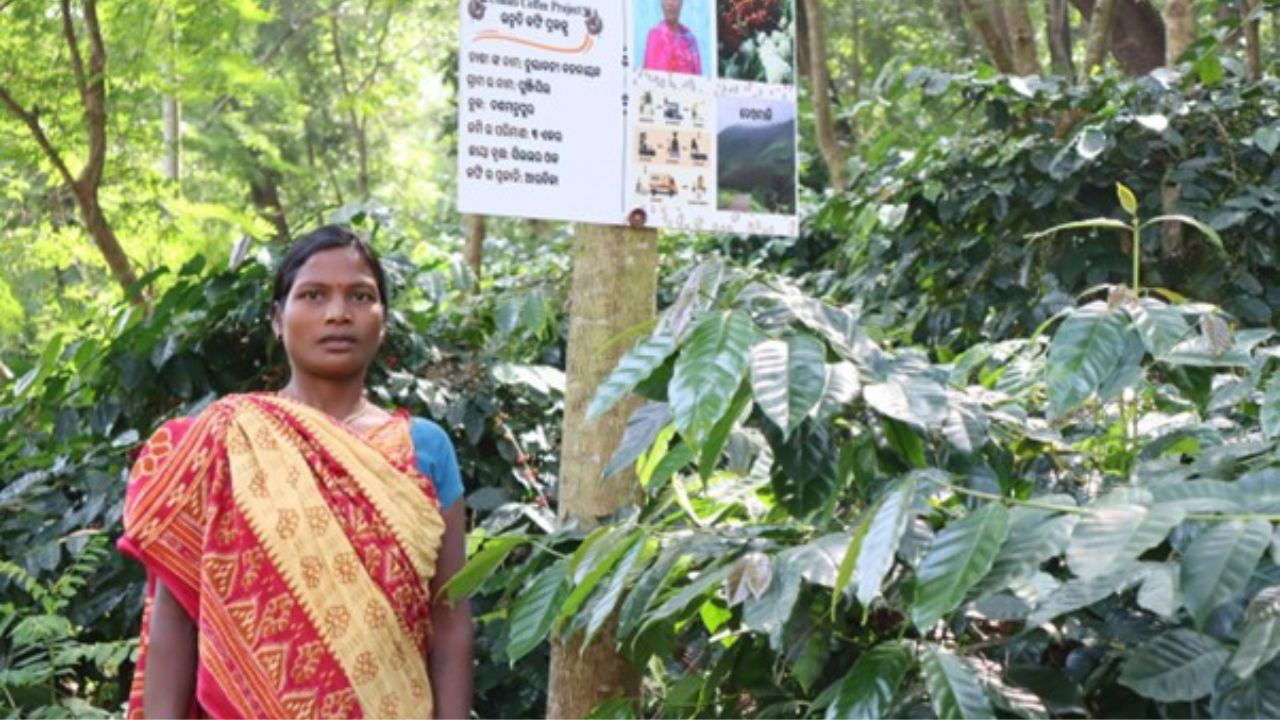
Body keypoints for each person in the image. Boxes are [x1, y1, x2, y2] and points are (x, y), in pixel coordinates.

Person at [117, 226, 473, 719]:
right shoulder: (224, 442)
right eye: (313, 295)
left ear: (383, 321)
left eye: (360, 296)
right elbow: (177, 622)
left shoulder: (425, 448)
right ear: (278, 320)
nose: (338, 313)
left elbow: (450, 621)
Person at [642, 0, 701, 75]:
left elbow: (699, 80)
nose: (670, 3)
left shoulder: (690, 40)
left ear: (681, 3)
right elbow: (648, 78)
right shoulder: (655, 36)